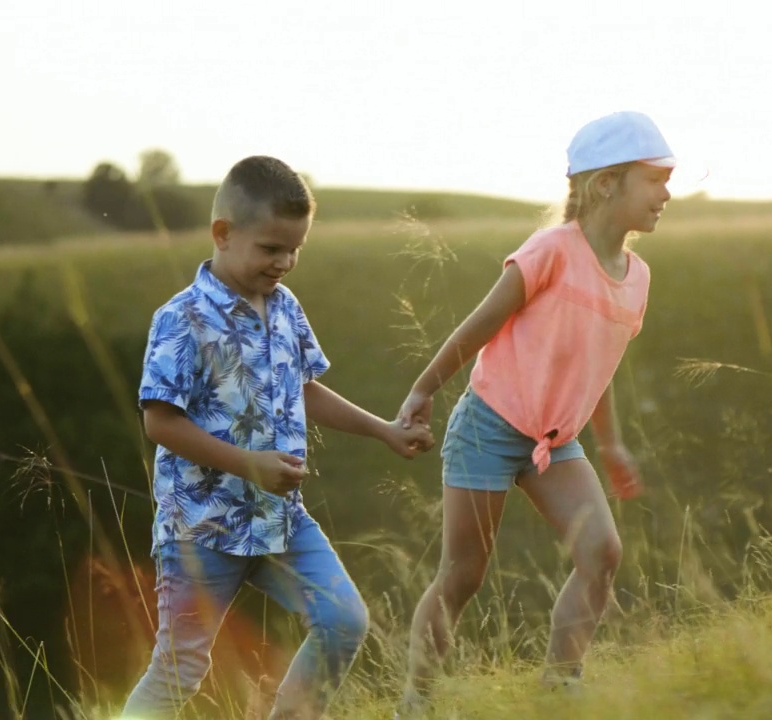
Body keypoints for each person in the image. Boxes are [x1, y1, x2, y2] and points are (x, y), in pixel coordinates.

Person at [121, 155, 434, 719]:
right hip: (201, 528)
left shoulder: (285, 308)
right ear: (223, 233)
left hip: (280, 520)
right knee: (179, 672)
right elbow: (159, 422)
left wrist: (384, 431)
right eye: (270, 248)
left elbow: (304, 390)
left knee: (342, 621)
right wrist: (247, 464)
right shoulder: (181, 318)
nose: (285, 262)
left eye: (295, 249)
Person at [395, 111, 674, 714]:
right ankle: (414, 703)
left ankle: (559, 688)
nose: (667, 194)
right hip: (490, 426)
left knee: (602, 552)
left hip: (555, 441)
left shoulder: (638, 277)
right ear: (606, 184)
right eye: (654, 179)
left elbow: (596, 368)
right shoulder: (551, 251)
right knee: (463, 575)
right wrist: (423, 389)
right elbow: (482, 322)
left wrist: (611, 444)